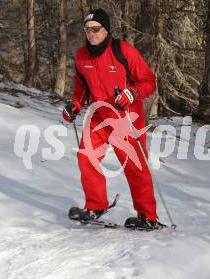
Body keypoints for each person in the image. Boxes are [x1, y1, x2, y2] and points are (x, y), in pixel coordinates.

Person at [62, 8, 164, 230]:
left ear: (106, 29)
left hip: (126, 118)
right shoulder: (81, 56)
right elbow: (81, 88)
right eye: (87, 30)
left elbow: (148, 81)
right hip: (99, 116)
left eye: (96, 29)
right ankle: (95, 206)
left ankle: (148, 216)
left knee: (135, 167)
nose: (91, 33)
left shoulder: (122, 51)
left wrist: (132, 93)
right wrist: (75, 105)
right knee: (86, 158)